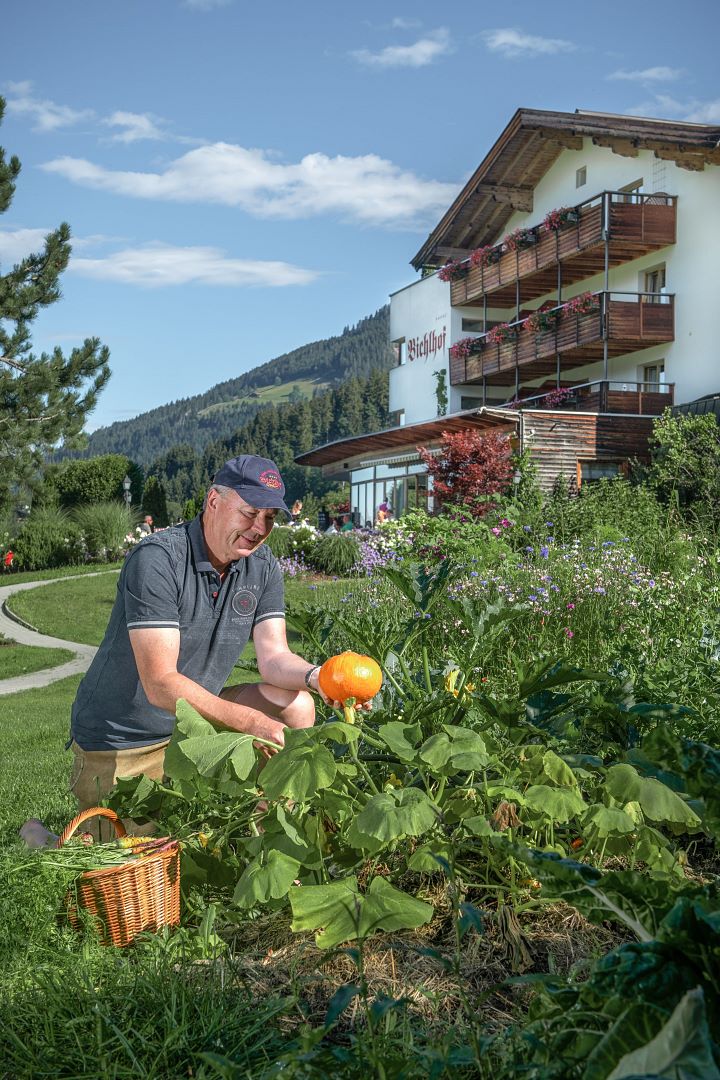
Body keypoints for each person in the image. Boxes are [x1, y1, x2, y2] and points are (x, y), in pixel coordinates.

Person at [21, 455, 376, 847]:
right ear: (213, 502)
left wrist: (319, 677)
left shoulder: (261, 566)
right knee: (129, 858)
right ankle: (38, 837)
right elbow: (160, 684)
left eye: (270, 518)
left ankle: (265, 839)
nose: (259, 529)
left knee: (296, 704)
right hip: (124, 739)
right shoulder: (158, 559)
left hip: (193, 724)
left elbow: (274, 657)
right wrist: (252, 723)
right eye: (250, 513)